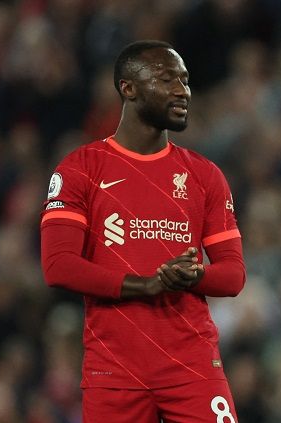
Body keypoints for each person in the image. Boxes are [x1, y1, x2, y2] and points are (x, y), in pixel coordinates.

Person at [40, 40, 245, 422]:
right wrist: (145, 284)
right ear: (128, 88)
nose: (182, 91)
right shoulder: (80, 169)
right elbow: (58, 265)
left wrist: (192, 276)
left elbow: (233, 275)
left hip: (192, 366)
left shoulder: (204, 176)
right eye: (167, 79)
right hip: (115, 371)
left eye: (185, 81)